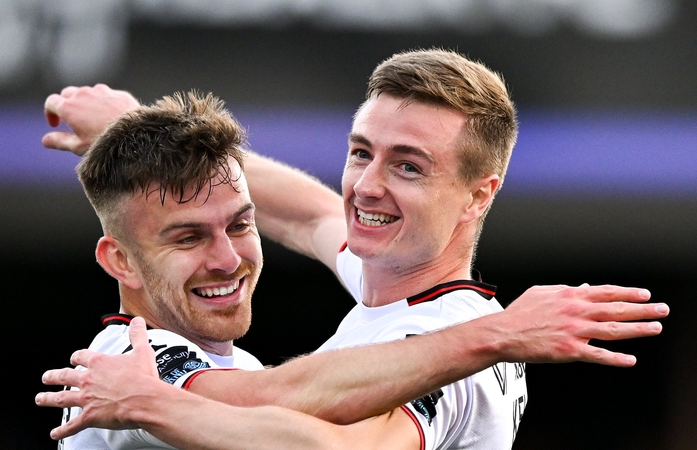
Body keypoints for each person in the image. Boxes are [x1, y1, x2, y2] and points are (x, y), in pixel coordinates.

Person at [36, 50, 669, 449]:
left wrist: (499, 335)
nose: (367, 186)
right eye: (362, 152)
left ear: (478, 197)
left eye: (409, 167)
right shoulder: (392, 281)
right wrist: (143, 135)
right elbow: (304, 211)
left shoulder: (448, 344)